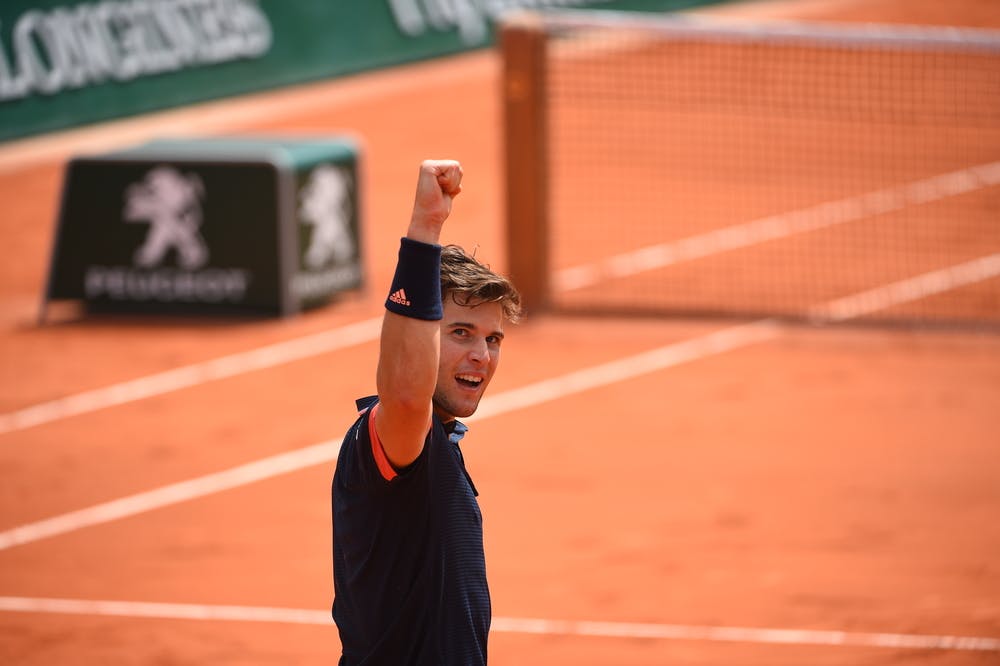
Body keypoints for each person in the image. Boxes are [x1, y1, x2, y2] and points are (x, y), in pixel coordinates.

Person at [331, 159, 522, 665]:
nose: (481, 355)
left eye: (493, 339)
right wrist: (425, 227)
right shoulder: (393, 436)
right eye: (460, 332)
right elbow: (406, 391)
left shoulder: (440, 443)